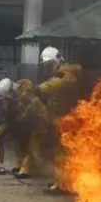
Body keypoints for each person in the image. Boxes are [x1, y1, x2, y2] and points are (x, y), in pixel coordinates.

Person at [36, 46, 82, 193]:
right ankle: (61, 182)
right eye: (45, 66)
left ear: (58, 61)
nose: (47, 68)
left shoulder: (66, 75)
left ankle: (64, 184)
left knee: (63, 156)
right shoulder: (60, 74)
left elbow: (56, 85)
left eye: (49, 65)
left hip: (67, 123)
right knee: (59, 155)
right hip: (61, 122)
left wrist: (38, 88)